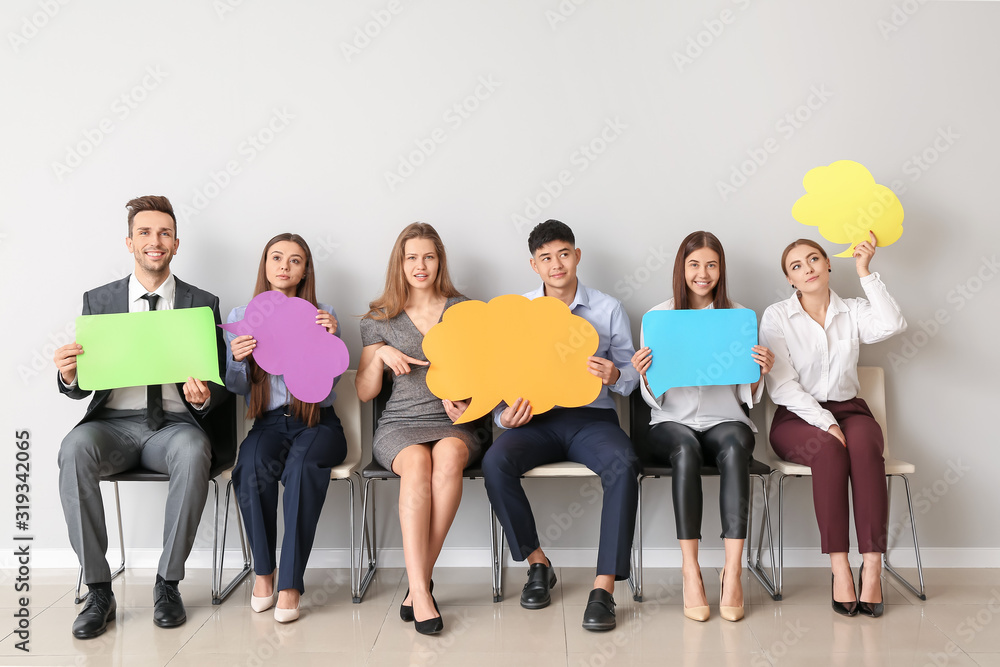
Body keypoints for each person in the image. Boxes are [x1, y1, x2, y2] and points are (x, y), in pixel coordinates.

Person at [52, 195, 229, 638]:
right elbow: (83, 385)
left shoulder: (202, 302)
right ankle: (98, 590)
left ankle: (167, 584)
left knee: (193, 451)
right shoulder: (100, 300)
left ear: (176, 243)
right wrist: (70, 376)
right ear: (129, 242)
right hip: (111, 426)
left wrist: (205, 395)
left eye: (165, 233)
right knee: (73, 449)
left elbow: (224, 382)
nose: (156, 241)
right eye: (146, 233)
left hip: (174, 428)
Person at [475, 219, 639, 632]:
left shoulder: (608, 307)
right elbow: (500, 380)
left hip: (593, 419)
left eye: (563, 254)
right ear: (534, 266)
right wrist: (503, 416)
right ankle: (537, 564)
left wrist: (616, 376)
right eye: (546, 258)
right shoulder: (518, 310)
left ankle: (604, 588)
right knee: (496, 463)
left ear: (577, 255)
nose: (557, 264)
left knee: (624, 463)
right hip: (536, 419)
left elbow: (635, 376)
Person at [760, 233, 906, 618]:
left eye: (813, 259)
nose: (807, 268)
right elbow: (782, 384)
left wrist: (865, 272)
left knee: (862, 447)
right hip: (796, 418)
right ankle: (839, 567)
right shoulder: (776, 316)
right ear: (790, 279)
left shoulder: (853, 310)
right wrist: (824, 422)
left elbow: (892, 324)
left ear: (827, 265)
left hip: (853, 410)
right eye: (796, 266)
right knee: (827, 449)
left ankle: (871, 564)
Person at [630, 231, 773, 623]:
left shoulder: (740, 317)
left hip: (724, 419)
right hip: (671, 422)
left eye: (711, 264)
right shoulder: (657, 319)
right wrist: (645, 375)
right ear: (682, 268)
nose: (703, 273)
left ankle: (733, 570)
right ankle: (690, 568)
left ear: (721, 270)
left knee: (736, 444)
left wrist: (759, 372)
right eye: (694, 264)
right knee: (686, 450)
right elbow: (650, 396)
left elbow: (747, 394)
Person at [356, 222, 481, 636]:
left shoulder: (465, 311)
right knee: (416, 464)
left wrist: (466, 397)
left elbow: (488, 381)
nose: (420, 265)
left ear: (439, 261)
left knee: (446, 457)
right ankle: (421, 591)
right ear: (400, 263)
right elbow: (364, 391)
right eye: (412, 257)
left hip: (453, 421)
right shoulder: (379, 319)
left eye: (428, 256)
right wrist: (378, 355)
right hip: (400, 422)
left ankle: (416, 583)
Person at [225, 233, 348, 623]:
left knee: (299, 471)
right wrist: (238, 361)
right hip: (268, 424)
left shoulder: (322, 313)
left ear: (305, 270)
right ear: (264, 265)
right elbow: (235, 387)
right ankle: (264, 572)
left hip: (316, 422)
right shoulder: (242, 313)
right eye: (276, 258)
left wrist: (330, 342)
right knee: (249, 470)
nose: (284, 266)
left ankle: (291, 583)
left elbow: (328, 387)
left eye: (295, 261)